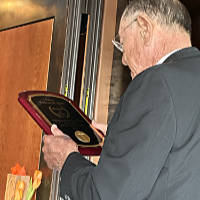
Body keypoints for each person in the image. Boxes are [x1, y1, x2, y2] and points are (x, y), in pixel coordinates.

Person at [42, 0, 200, 199]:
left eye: (122, 43)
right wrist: (124, 139)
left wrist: (67, 160)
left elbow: (106, 195)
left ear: (144, 27)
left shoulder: (155, 81)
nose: (123, 59)